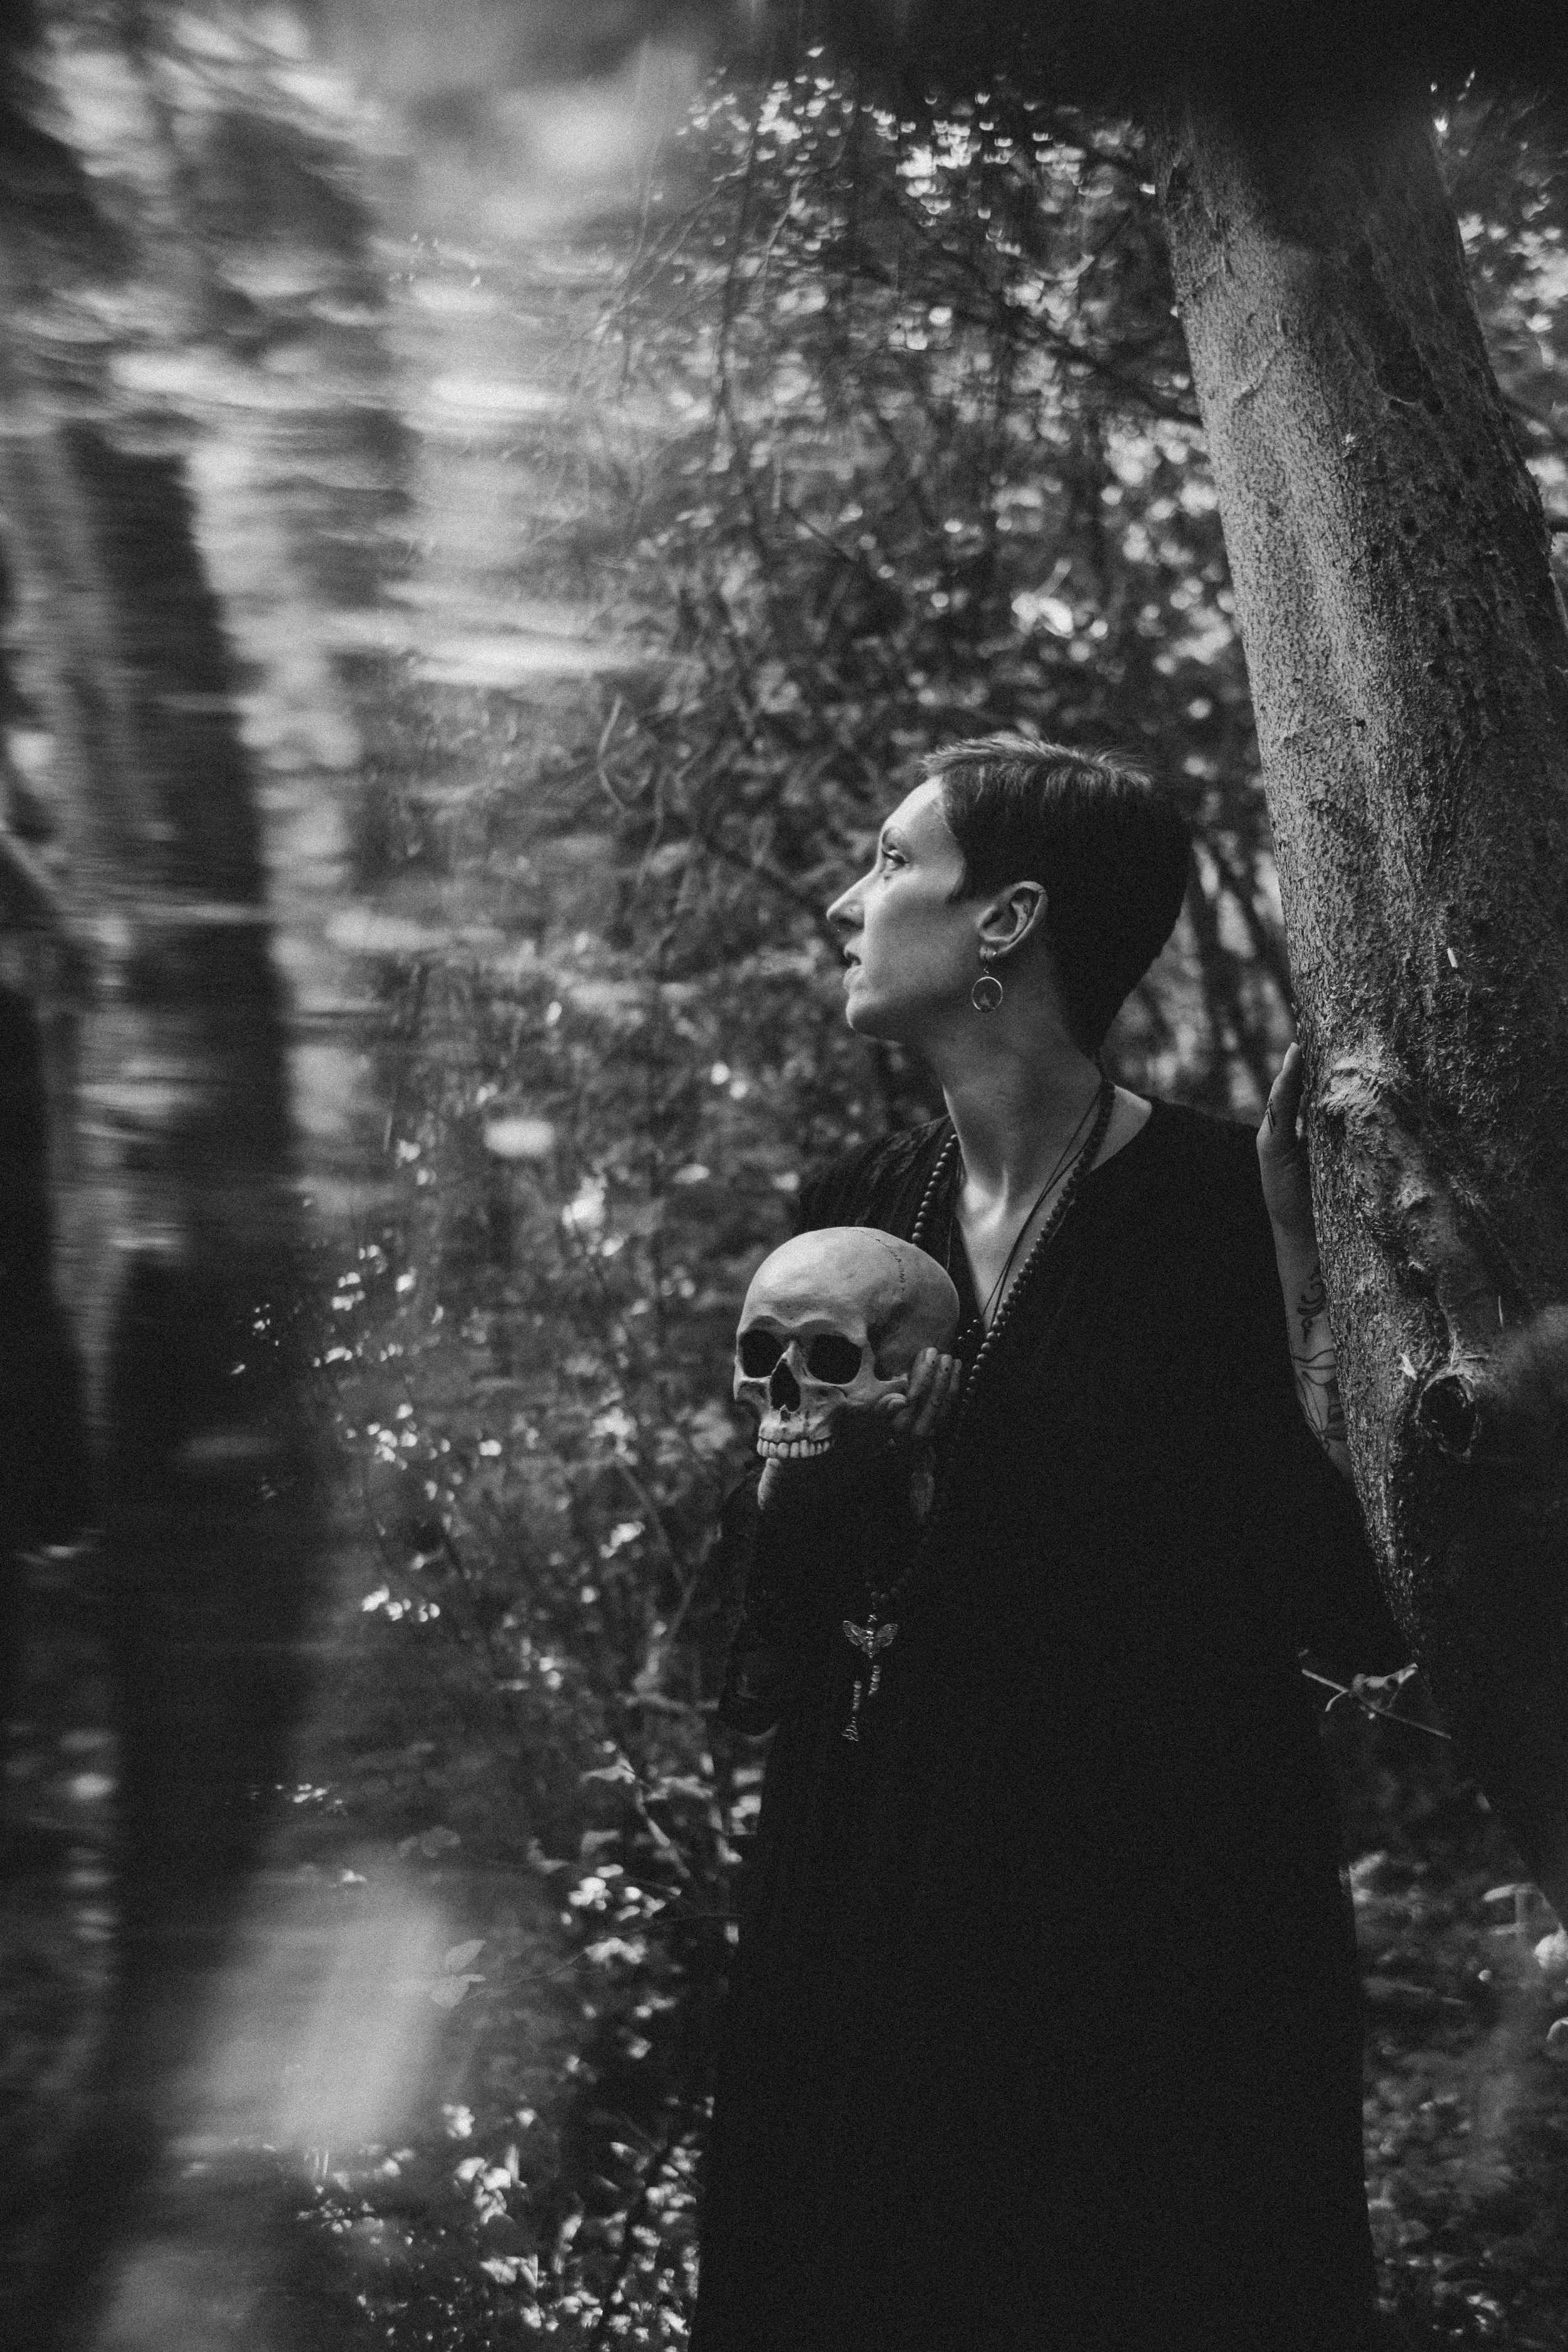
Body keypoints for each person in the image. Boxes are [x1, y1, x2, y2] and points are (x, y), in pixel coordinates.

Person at [692, 737, 1404, 2352]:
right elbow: (773, 1622)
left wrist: (1311, 1329)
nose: (845, 903)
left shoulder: (1228, 1202)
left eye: (891, 864)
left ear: (1005, 921)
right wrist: (818, 1488)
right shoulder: (854, 1204)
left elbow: (1343, 1611)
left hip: (1142, 1914)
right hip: (873, 1874)